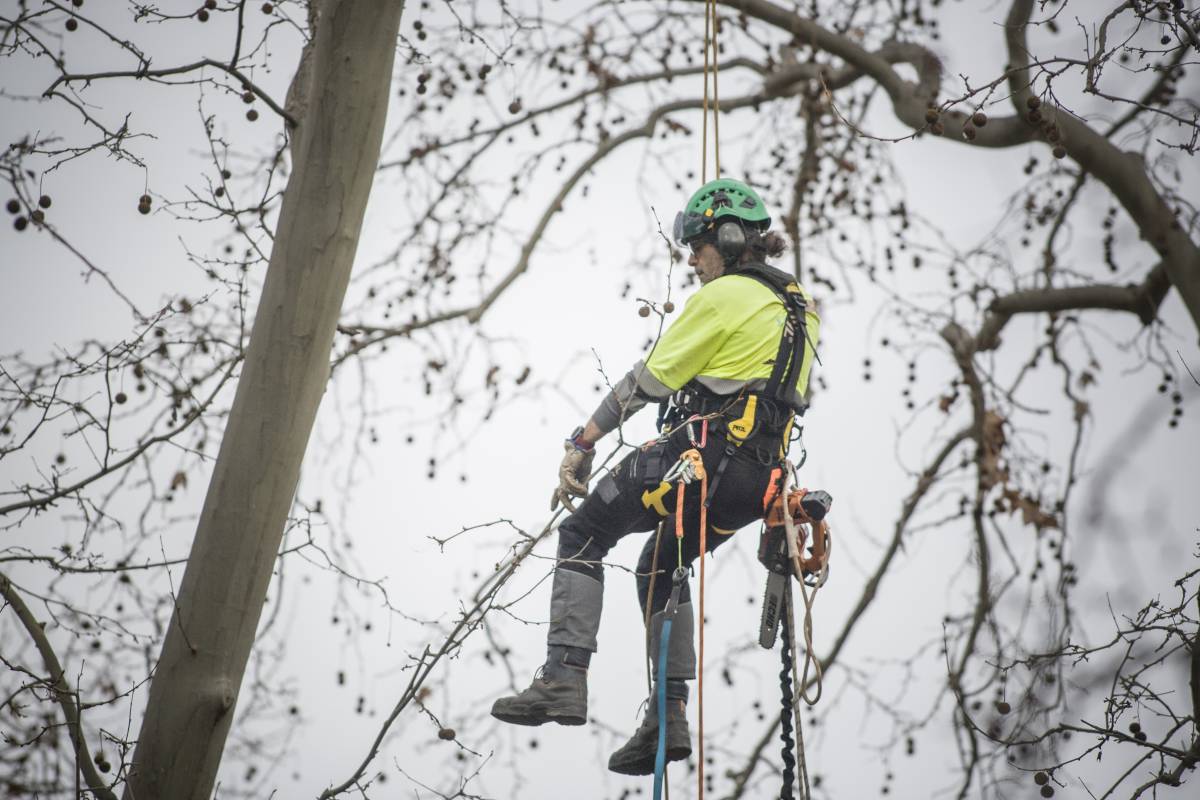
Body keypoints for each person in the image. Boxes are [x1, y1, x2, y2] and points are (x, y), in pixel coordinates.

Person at [490, 178, 821, 775]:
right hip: (756, 484)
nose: (692, 261)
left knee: (584, 534)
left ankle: (563, 679)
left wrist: (581, 441)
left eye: (697, 247)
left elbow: (649, 380)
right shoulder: (801, 309)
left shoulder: (724, 297)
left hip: (704, 456)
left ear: (726, 236)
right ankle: (667, 718)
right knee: (658, 565)